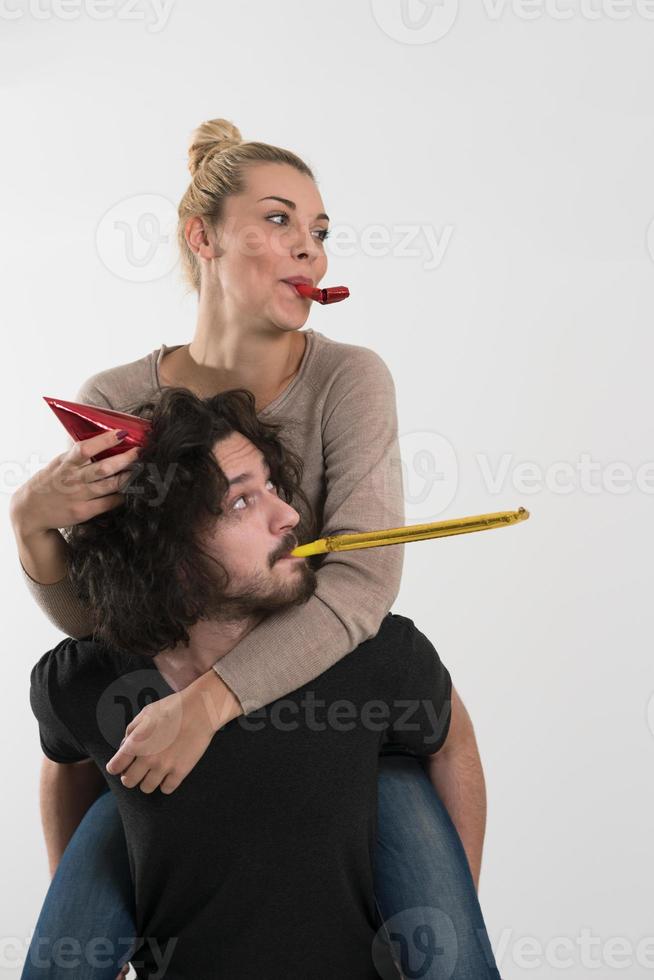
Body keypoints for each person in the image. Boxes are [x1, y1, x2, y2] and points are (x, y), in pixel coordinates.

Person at [13, 119, 499, 978]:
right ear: (202, 237)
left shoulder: (351, 378)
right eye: (279, 222)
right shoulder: (118, 398)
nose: (308, 250)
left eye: (320, 233)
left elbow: (358, 585)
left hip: (336, 726)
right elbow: (115, 615)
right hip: (172, 718)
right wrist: (31, 529)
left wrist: (207, 705)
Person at [28, 385, 461, 978]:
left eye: (273, 488)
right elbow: (66, 760)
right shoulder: (80, 679)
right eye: (241, 503)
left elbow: (452, 746)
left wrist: (451, 928)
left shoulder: (375, 657)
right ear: (169, 557)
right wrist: (84, 916)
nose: (289, 514)